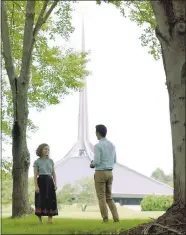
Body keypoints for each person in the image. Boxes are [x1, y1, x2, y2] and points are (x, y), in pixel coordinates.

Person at [90, 125, 119, 223]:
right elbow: (115, 160)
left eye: (96, 133)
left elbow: (97, 161)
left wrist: (92, 164)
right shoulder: (112, 145)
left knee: (101, 197)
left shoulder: (98, 146)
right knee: (109, 197)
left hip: (100, 172)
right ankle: (116, 218)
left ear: (98, 133)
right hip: (110, 173)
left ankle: (105, 218)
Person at [33, 143, 58, 224]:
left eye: (48, 149)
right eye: (45, 149)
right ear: (41, 150)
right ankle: (39, 220)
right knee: (40, 200)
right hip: (41, 181)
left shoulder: (51, 161)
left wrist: (55, 183)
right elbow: (35, 175)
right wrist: (36, 186)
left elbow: (53, 173)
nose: (47, 150)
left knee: (51, 199)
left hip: (50, 182)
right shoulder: (37, 161)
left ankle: (50, 220)